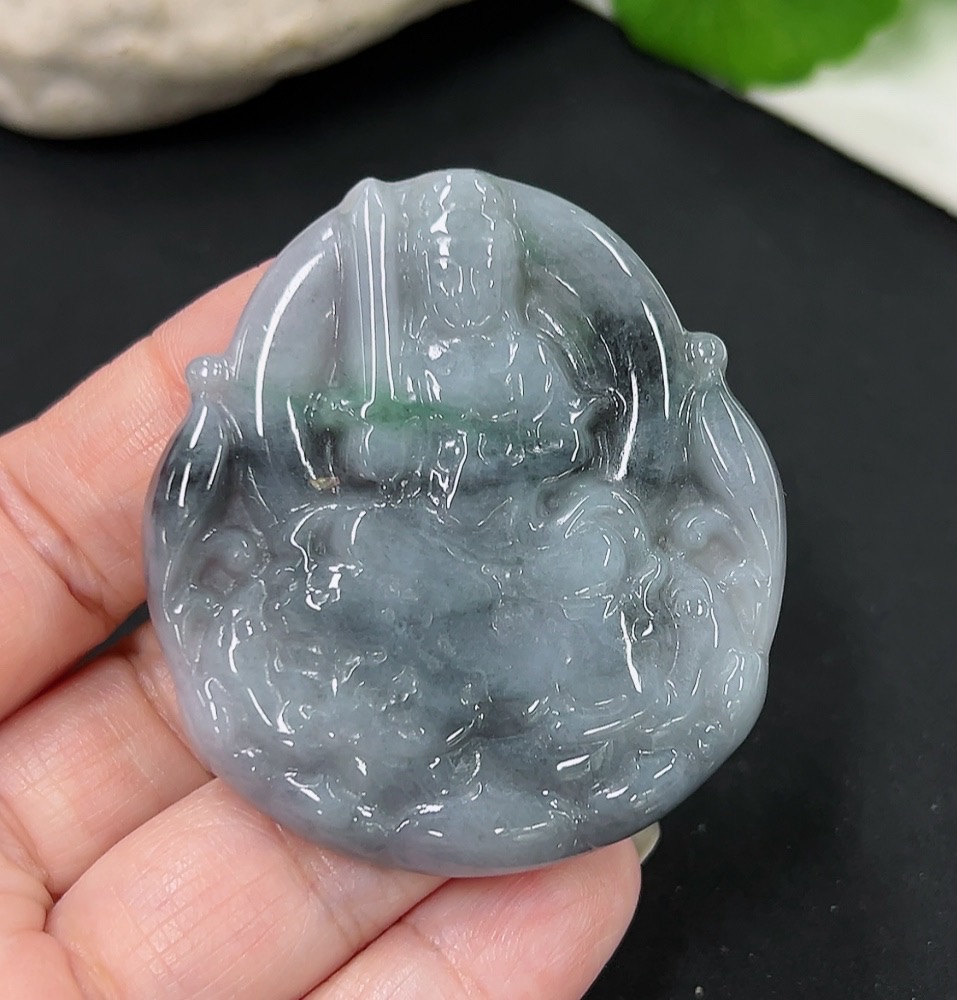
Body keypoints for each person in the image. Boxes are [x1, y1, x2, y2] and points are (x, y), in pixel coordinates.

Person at [0, 266, 644, 999]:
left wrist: (488, 447)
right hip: (411, 522)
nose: (461, 280)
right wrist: (398, 438)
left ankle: (481, 684)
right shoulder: (398, 354)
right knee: (354, 539)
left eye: (475, 260)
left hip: (511, 525)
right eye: (444, 265)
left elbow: (564, 445)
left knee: (566, 561)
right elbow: (367, 458)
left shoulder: (526, 355)